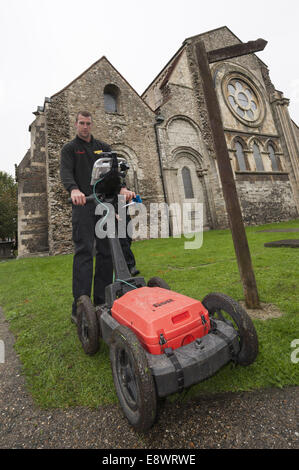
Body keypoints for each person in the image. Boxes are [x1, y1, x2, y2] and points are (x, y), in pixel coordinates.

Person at [60, 111, 135, 324]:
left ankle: (103, 303)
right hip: (84, 205)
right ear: (76, 124)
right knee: (84, 253)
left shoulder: (104, 147)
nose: (85, 126)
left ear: (92, 125)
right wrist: (74, 189)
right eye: (81, 123)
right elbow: (66, 172)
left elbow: (114, 174)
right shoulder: (70, 149)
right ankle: (80, 307)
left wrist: (122, 188)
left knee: (106, 253)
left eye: (88, 123)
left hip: (104, 205)